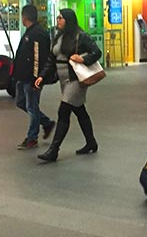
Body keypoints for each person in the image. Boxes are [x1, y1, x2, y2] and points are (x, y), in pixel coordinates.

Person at [34, 9, 102, 162]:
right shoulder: (58, 37)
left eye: (61, 18)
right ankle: (91, 142)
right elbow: (51, 60)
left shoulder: (80, 36)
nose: (58, 20)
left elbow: (97, 52)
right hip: (64, 81)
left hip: (76, 80)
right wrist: (42, 76)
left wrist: (83, 59)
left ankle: (53, 150)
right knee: (79, 110)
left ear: (68, 20)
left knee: (63, 111)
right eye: (57, 18)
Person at [12, 5, 55, 150]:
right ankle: (46, 122)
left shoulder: (37, 34)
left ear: (25, 17)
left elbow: (38, 58)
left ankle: (32, 137)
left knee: (31, 106)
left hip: (32, 78)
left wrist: (35, 78)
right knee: (21, 102)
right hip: (23, 76)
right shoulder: (30, 33)